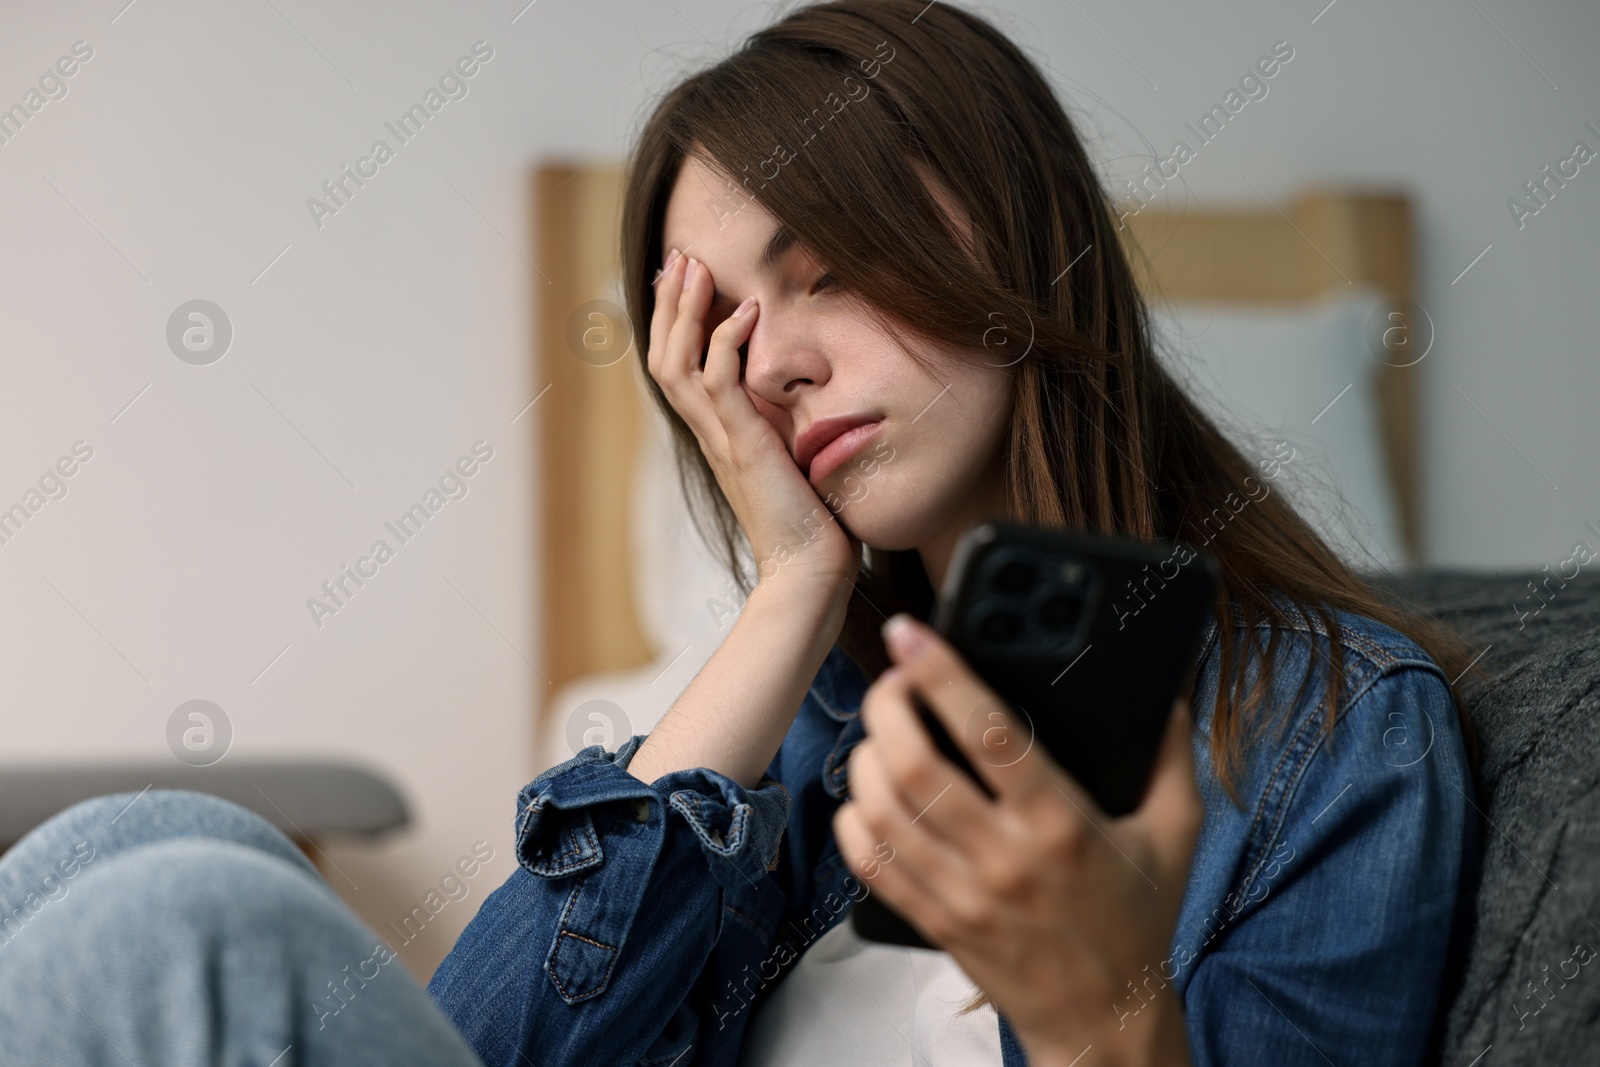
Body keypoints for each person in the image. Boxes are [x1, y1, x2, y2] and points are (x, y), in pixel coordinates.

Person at [0, 2, 1482, 1066]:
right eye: (723, 334)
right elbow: (484, 1052)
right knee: (141, 839)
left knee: (178, 921)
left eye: (826, 268)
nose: (773, 365)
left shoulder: (1337, 737)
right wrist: (791, 591)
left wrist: (1100, 1008)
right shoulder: (816, 723)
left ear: (1023, 240)